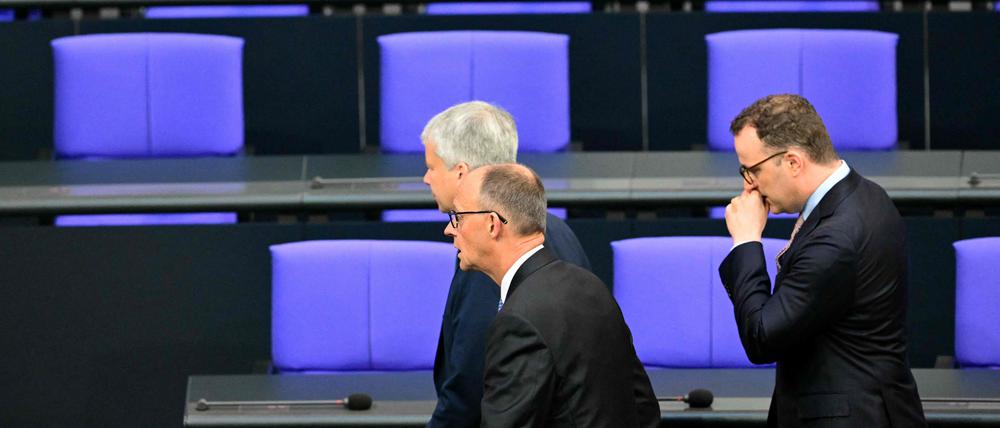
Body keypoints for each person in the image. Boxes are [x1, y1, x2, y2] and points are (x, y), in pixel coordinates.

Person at [720, 94, 926, 427]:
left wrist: (746, 241)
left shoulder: (835, 238)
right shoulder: (867, 194)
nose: (749, 185)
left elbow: (762, 337)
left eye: (752, 170)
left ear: (793, 162)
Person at [445, 163, 659, 428]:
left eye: (458, 217)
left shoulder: (518, 322)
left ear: (492, 224)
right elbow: (644, 407)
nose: (450, 229)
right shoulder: (591, 286)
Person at [420, 101, 591, 428]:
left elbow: (472, 387)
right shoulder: (558, 230)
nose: (426, 178)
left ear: (460, 172)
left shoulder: (491, 248)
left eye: (431, 166)